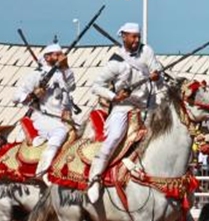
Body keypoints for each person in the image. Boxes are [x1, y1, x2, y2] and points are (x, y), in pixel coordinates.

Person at [87, 23, 162, 202]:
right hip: (124, 106)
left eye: (138, 36)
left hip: (148, 106)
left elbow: (158, 73)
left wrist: (157, 75)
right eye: (133, 37)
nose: (137, 40)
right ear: (124, 37)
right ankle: (95, 177)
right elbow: (96, 86)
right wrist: (115, 97)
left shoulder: (147, 52)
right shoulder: (115, 62)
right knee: (114, 137)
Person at [13, 43, 78, 179]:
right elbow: (16, 95)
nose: (61, 56)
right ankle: (42, 171)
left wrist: (66, 66)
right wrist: (33, 95)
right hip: (43, 117)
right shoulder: (36, 74)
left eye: (61, 54)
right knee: (60, 131)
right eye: (57, 54)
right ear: (47, 57)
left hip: (64, 118)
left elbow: (71, 86)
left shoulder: (62, 73)